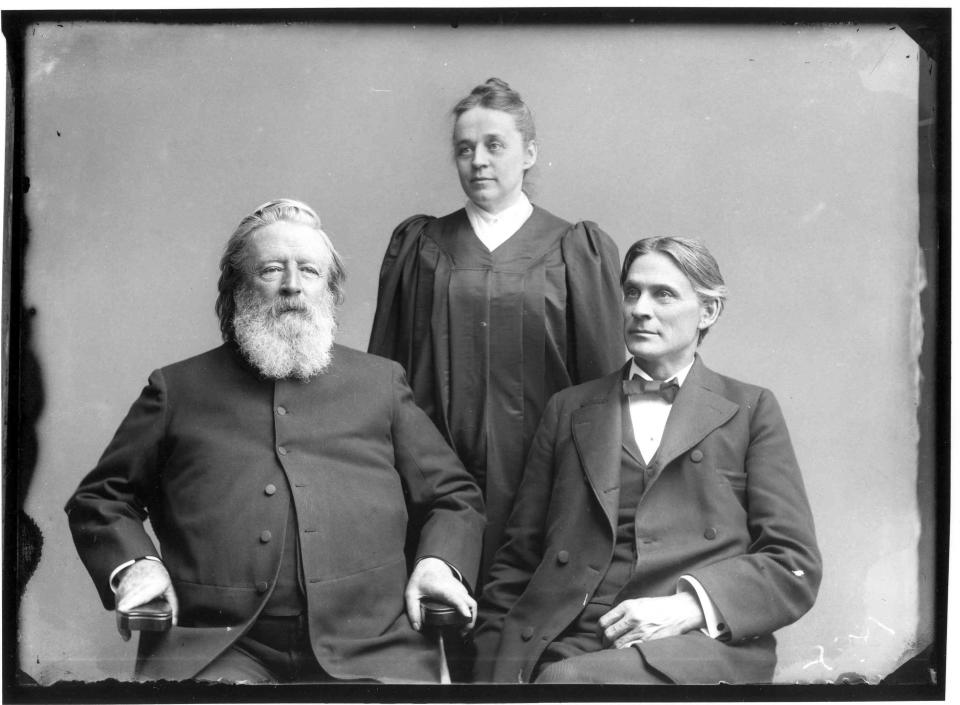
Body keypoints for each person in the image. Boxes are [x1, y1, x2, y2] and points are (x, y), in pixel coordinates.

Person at [65, 199, 485, 684]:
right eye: (270, 270)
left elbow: (455, 497)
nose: (292, 285)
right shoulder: (177, 389)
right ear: (238, 289)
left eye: (309, 270)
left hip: (373, 644)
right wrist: (137, 565)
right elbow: (100, 498)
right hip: (219, 646)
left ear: (328, 289)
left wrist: (438, 564)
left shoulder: (380, 384)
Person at [474, 236, 822, 684]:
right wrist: (488, 667)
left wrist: (687, 607)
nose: (640, 308)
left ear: (708, 312)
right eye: (633, 292)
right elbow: (518, 558)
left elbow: (793, 562)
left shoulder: (751, 409)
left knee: (567, 683)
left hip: (692, 643)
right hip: (566, 634)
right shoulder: (568, 409)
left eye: (664, 294)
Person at [368, 78, 624, 581]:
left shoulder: (575, 250)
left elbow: (603, 384)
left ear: (529, 153)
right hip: (436, 469)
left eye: (494, 145)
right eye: (465, 149)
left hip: (544, 470)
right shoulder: (421, 247)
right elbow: (386, 377)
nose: (478, 160)